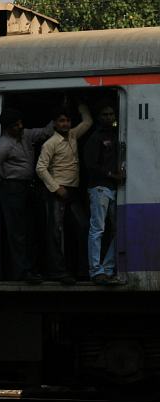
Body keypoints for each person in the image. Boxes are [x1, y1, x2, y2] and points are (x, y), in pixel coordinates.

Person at [0, 108, 54, 283]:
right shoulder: (4, 145)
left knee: (30, 230)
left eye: (21, 123)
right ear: (7, 128)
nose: (21, 126)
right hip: (13, 189)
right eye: (16, 125)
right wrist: (4, 181)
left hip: (27, 187)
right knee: (17, 233)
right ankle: (22, 272)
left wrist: (59, 112)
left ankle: (32, 269)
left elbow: (46, 132)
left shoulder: (26, 135)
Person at [36, 102, 92, 284]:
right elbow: (40, 168)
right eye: (61, 121)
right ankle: (57, 273)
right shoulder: (50, 143)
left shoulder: (73, 135)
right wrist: (56, 187)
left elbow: (88, 122)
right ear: (54, 123)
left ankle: (82, 271)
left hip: (72, 191)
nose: (65, 124)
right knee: (56, 233)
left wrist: (81, 104)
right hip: (57, 191)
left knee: (82, 227)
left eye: (67, 120)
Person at [82, 104, 125, 285]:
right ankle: (95, 270)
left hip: (113, 188)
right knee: (97, 229)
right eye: (105, 114)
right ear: (99, 117)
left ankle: (107, 268)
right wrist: (111, 175)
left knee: (119, 229)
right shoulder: (95, 137)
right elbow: (90, 164)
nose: (109, 117)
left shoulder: (116, 135)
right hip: (99, 187)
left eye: (111, 114)